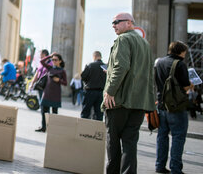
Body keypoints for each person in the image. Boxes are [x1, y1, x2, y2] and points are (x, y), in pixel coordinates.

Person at [103, 12, 155, 174]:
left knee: (113, 141)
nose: (114, 25)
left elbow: (121, 66)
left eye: (117, 22)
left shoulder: (123, 39)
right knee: (130, 143)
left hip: (119, 100)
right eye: (112, 23)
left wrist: (110, 92)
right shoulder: (145, 43)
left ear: (129, 23)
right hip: (139, 102)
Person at [154, 41, 192, 174]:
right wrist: (191, 85)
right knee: (178, 137)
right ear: (181, 51)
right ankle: (175, 169)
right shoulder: (180, 64)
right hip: (176, 107)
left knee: (162, 136)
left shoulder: (158, 62)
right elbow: (186, 87)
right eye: (184, 52)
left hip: (161, 105)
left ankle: (159, 166)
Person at [35, 53, 67, 132]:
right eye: (52, 60)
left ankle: (52, 129)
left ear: (60, 61)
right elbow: (42, 62)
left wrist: (59, 80)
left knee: (54, 113)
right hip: (46, 92)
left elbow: (65, 83)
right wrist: (50, 56)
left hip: (56, 94)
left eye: (55, 60)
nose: (54, 61)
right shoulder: (50, 67)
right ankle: (43, 127)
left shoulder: (62, 71)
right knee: (43, 111)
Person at [81, 51, 106, 121]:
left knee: (85, 112)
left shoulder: (90, 65)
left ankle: (82, 129)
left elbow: (83, 76)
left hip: (90, 91)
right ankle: (97, 131)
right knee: (99, 114)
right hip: (101, 92)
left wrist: (88, 82)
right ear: (100, 57)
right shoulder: (106, 67)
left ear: (94, 57)